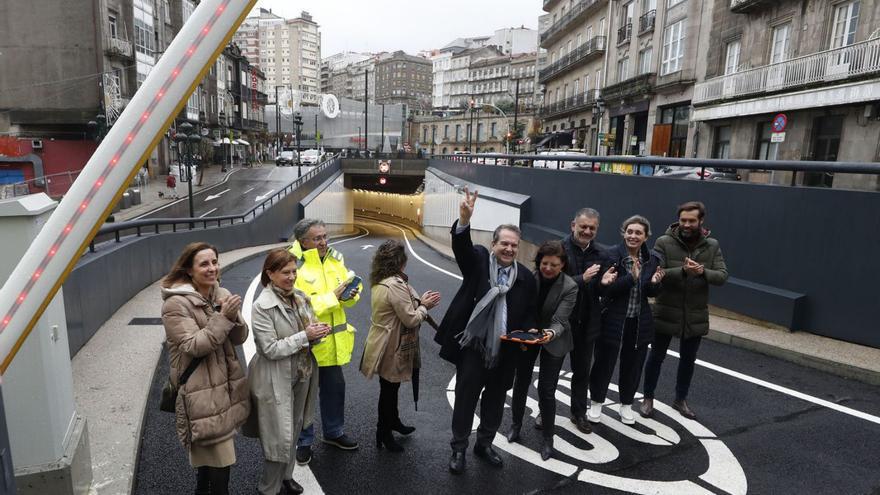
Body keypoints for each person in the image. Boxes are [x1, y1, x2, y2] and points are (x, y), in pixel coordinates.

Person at [435, 187, 537, 475]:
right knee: (467, 397)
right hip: (475, 346)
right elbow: (462, 250)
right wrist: (464, 220)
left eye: (514, 246)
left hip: (506, 349)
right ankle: (459, 449)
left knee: (494, 398)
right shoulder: (479, 261)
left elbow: (529, 311)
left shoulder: (526, 278)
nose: (509, 249)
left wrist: (529, 329)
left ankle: (485, 443)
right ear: (493, 244)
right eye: (504, 244)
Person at [160, 242, 250, 495]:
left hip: (223, 387)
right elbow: (194, 346)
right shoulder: (175, 305)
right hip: (200, 391)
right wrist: (223, 317)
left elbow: (239, 338)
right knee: (221, 459)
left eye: (214, 262)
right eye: (204, 264)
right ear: (189, 270)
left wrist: (234, 316)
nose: (212, 268)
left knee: (210, 455)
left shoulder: (219, 293)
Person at [247, 248, 331, 495]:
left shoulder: (301, 297)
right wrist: (306, 336)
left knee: (294, 428)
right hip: (275, 377)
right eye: (285, 272)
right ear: (270, 274)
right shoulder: (262, 306)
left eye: (294, 271)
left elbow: (309, 329)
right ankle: (268, 488)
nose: (292, 277)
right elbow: (269, 348)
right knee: (278, 436)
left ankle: (286, 476)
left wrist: (317, 333)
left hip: (302, 373)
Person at [640, 201, 728, 420]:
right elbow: (655, 271)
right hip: (666, 310)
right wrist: (683, 271)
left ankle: (681, 400)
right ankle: (648, 398)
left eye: (691, 221)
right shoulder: (663, 241)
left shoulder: (712, 245)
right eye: (683, 220)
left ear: (701, 221)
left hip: (695, 313)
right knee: (656, 357)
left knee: (688, 360)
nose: (687, 224)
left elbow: (722, 276)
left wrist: (702, 272)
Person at [287, 218, 362, 464]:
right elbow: (298, 305)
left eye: (324, 236)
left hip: (331, 345)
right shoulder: (292, 264)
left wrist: (351, 294)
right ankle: (304, 441)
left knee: (334, 390)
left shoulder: (334, 258)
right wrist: (333, 297)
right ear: (302, 241)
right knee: (304, 396)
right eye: (317, 238)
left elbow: (348, 289)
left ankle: (333, 432)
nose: (323, 242)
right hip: (305, 345)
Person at [360, 240, 441, 452]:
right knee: (388, 390)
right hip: (392, 344)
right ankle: (384, 432)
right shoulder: (395, 285)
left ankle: (392, 422)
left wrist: (420, 302)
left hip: (382, 341)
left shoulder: (380, 280)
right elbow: (411, 320)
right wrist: (424, 306)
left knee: (389, 388)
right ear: (399, 262)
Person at [588, 216, 665, 426]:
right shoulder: (610, 255)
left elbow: (650, 291)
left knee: (633, 365)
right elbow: (605, 289)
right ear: (623, 232)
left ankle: (626, 405)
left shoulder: (652, 259)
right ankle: (596, 402)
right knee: (604, 361)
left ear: (646, 236)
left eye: (638, 233)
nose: (633, 236)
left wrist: (655, 284)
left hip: (639, 320)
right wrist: (630, 278)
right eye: (629, 231)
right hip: (612, 317)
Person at [506, 240, 578, 461]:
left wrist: (549, 333)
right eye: (545, 263)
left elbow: (560, 320)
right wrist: (524, 330)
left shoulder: (570, 286)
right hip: (528, 335)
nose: (548, 268)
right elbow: (519, 307)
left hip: (554, 338)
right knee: (520, 382)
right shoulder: (529, 278)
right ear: (539, 262)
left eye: (554, 265)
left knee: (547, 390)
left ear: (562, 265)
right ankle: (516, 425)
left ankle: (548, 440)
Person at [559, 208, 607, 434]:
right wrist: (582, 279)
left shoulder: (601, 254)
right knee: (551, 372)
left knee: (581, 373)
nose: (587, 231)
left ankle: (578, 413)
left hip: (587, 322)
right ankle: (544, 411)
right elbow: (550, 282)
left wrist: (604, 283)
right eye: (583, 227)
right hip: (561, 323)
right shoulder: (558, 249)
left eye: (592, 228)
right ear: (573, 225)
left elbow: (599, 288)